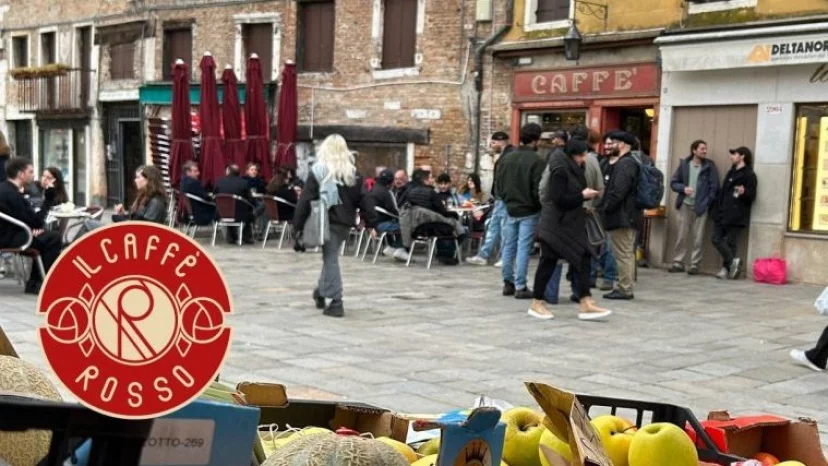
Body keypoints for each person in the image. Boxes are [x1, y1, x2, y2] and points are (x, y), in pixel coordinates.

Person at [293, 134, 378, 318]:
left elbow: (305, 199)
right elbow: (365, 199)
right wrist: (371, 222)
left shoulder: (318, 172)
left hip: (326, 220)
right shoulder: (353, 174)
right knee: (329, 256)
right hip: (345, 223)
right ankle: (321, 291)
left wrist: (297, 226)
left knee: (330, 258)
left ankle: (336, 301)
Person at [530, 139, 612, 321]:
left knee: (583, 257)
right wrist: (582, 196)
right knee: (549, 261)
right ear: (572, 155)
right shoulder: (560, 169)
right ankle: (537, 301)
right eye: (582, 156)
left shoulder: (573, 167)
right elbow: (557, 198)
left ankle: (586, 301)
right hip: (556, 223)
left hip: (571, 222)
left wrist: (581, 200)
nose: (584, 159)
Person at [495, 122, 546, 299]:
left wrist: (507, 200)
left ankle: (507, 282)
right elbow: (538, 188)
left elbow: (498, 185)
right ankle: (521, 285)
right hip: (529, 209)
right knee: (523, 247)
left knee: (509, 245)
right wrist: (538, 204)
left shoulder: (507, 158)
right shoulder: (537, 160)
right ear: (536, 140)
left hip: (510, 207)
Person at [0, 157, 63, 294]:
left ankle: (34, 282)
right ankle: (40, 283)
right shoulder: (13, 194)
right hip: (9, 238)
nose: (34, 175)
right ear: (21, 174)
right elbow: (37, 221)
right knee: (53, 238)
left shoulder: (4, 189)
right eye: (31, 171)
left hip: (10, 233)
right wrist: (49, 199)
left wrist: (32, 228)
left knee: (44, 237)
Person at [598, 131, 641, 300]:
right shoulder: (629, 162)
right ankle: (625, 286)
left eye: (613, 143)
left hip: (623, 216)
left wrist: (605, 208)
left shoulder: (626, 164)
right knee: (625, 252)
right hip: (626, 214)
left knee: (623, 253)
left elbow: (618, 192)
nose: (610, 146)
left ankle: (625, 288)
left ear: (622, 144)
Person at [669, 140, 720, 275]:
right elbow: (673, 183)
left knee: (698, 237)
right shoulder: (684, 165)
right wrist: (683, 188)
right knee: (681, 235)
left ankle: (694, 265)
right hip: (685, 205)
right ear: (694, 150)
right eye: (702, 149)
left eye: (705, 149)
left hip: (701, 206)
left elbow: (714, 186)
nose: (705, 151)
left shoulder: (710, 166)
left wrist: (707, 202)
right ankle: (678, 262)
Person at [466, 131, 515, 267]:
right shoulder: (504, 156)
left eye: (493, 143)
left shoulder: (509, 156)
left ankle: (506, 258)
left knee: (505, 229)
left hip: (504, 198)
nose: (491, 146)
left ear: (500, 142)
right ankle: (484, 255)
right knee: (494, 227)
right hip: (499, 198)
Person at [711, 146, 757, 280]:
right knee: (715, 238)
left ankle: (726, 269)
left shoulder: (749, 175)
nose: (731, 156)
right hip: (721, 211)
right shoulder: (730, 172)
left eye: (734, 154)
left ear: (742, 156)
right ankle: (733, 262)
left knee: (730, 242)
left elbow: (752, 195)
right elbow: (723, 191)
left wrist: (744, 192)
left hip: (736, 214)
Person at [215, 163, 255, 244]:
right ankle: (246, 237)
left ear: (228, 171)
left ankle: (231, 236)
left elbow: (215, 197)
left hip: (221, 213)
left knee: (231, 209)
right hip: (240, 215)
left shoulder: (219, 182)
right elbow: (250, 200)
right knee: (250, 213)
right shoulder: (244, 183)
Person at [369, 168, 403, 252]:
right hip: (381, 225)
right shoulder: (386, 193)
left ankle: (391, 246)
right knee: (406, 226)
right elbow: (393, 211)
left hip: (371, 223)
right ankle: (397, 249)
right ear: (390, 182)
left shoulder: (373, 189)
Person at [180, 161, 217, 226]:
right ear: (188, 172)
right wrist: (212, 196)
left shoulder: (183, 183)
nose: (198, 173)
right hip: (202, 213)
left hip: (193, 213)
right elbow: (205, 197)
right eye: (195, 171)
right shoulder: (193, 183)